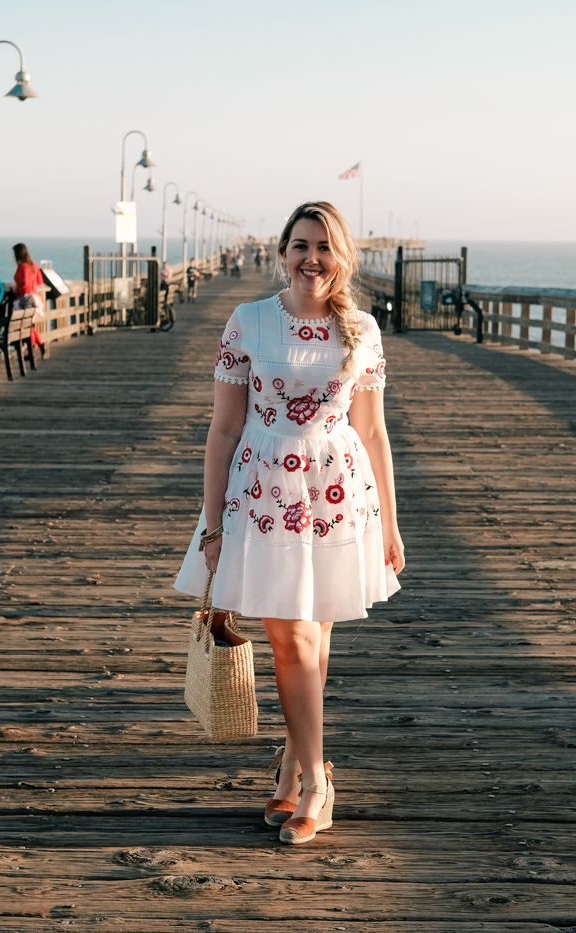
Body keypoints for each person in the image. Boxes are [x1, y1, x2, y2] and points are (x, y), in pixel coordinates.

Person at [173, 201, 405, 846]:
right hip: (263, 493)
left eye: (325, 247)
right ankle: (313, 777)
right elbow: (222, 428)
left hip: (337, 494)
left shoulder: (362, 329)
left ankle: (295, 767)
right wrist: (212, 522)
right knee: (292, 641)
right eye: (301, 245)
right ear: (282, 253)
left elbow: (373, 431)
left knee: (316, 639)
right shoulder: (248, 322)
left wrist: (390, 521)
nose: (312, 259)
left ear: (343, 257)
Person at [12, 243, 45, 354]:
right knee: (29, 325)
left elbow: (25, 284)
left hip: (25, 299)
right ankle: (39, 345)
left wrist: (18, 289)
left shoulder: (22, 266)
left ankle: (33, 350)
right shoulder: (33, 265)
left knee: (25, 326)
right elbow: (40, 281)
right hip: (35, 298)